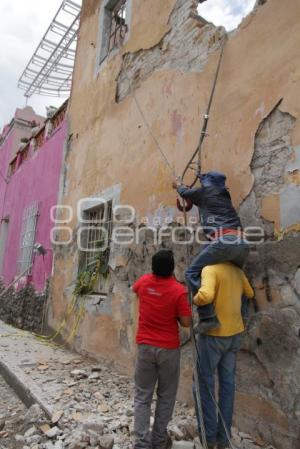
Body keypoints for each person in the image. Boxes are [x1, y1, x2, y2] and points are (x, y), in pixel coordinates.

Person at [173, 171, 249, 331]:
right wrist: (188, 196)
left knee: (191, 273)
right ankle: (242, 315)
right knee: (236, 276)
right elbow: (192, 199)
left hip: (224, 241)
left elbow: (184, 191)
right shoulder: (223, 194)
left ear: (206, 183)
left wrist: (178, 184)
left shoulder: (205, 192)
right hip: (242, 243)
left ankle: (207, 317)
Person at [132, 249, 192, 449]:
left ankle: (141, 443)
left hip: (145, 347)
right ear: (172, 269)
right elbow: (185, 323)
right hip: (168, 349)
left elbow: (136, 291)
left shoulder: (144, 282)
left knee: (142, 395)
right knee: (166, 396)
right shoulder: (178, 290)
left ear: (153, 266)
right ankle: (158, 441)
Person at [193, 262, 254, 449]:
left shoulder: (209, 269)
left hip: (214, 337)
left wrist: (194, 298)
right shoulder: (237, 271)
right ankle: (224, 438)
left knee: (204, 386)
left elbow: (206, 295)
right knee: (227, 385)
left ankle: (209, 439)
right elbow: (250, 293)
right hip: (234, 335)